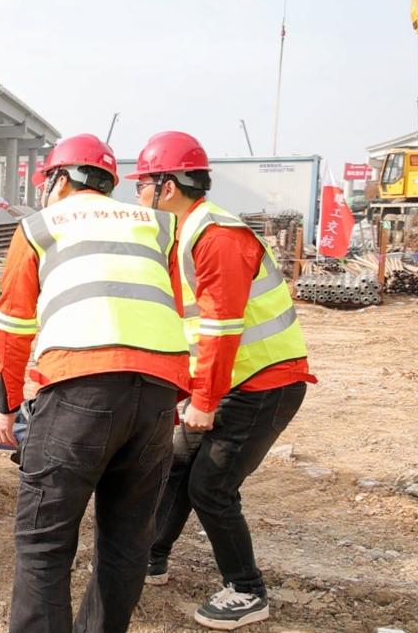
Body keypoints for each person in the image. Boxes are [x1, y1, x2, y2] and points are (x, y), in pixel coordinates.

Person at [0, 134, 190, 633]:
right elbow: (172, 309)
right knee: (126, 541)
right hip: (157, 393)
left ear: (61, 178)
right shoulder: (157, 226)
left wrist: (5, 405)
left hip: (79, 390)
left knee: (44, 541)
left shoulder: (40, 225)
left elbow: (12, 325)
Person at [130, 131, 315, 630]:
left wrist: (204, 401)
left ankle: (247, 590)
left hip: (263, 384)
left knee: (212, 486)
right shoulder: (188, 232)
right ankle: (151, 557)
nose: (138, 195)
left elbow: (221, 329)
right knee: (178, 466)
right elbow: (190, 329)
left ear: (167, 187)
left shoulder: (216, 236)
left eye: (141, 184)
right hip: (232, 381)